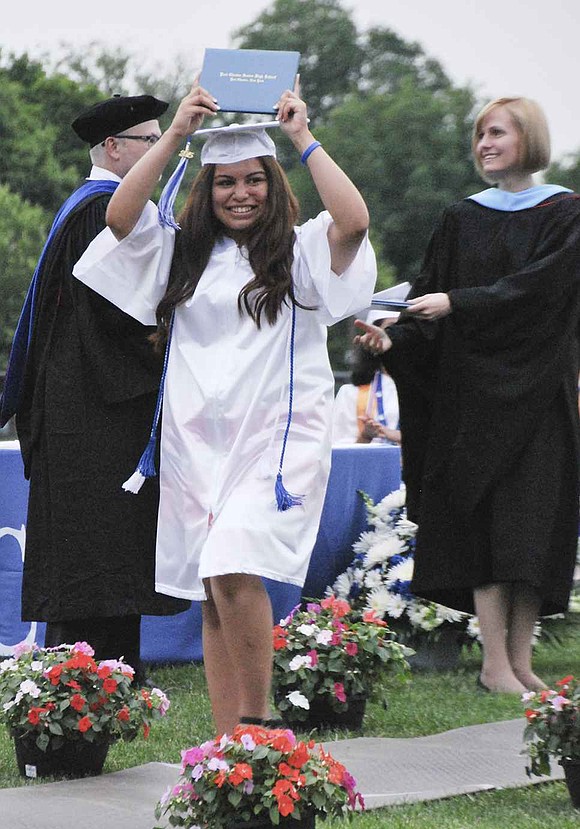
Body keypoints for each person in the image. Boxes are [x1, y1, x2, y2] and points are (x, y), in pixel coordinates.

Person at [74, 81, 376, 733]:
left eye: (254, 180)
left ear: (273, 185)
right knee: (213, 584)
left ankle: (259, 726)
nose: (240, 192)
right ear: (206, 191)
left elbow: (354, 221)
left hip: (274, 444)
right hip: (198, 445)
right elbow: (120, 219)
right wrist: (177, 131)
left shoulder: (299, 252)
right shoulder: (181, 252)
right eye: (225, 182)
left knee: (232, 564)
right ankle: (228, 737)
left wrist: (302, 135)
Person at [354, 96, 580, 694]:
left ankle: (522, 661)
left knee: (530, 529)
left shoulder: (565, 213)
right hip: (473, 402)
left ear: (527, 138)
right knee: (488, 525)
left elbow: (542, 290)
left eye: (497, 133)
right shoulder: (462, 217)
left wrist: (462, 302)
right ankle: (494, 666)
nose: (484, 144)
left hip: (539, 396)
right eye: (480, 135)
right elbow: (427, 298)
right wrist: (392, 340)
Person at [2, 94, 190, 679]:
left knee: (95, 559)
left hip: (81, 411)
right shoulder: (99, 211)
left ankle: (95, 682)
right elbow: (118, 318)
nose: (159, 150)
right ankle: (89, 686)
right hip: (96, 417)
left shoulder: (86, 208)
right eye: (149, 140)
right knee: (95, 562)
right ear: (114, 147)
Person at [332, 310, 400, 444]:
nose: (399, 335)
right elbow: (339, 451)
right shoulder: (352, 394)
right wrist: (365, 436)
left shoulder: (431, 388)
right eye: (391, 328)